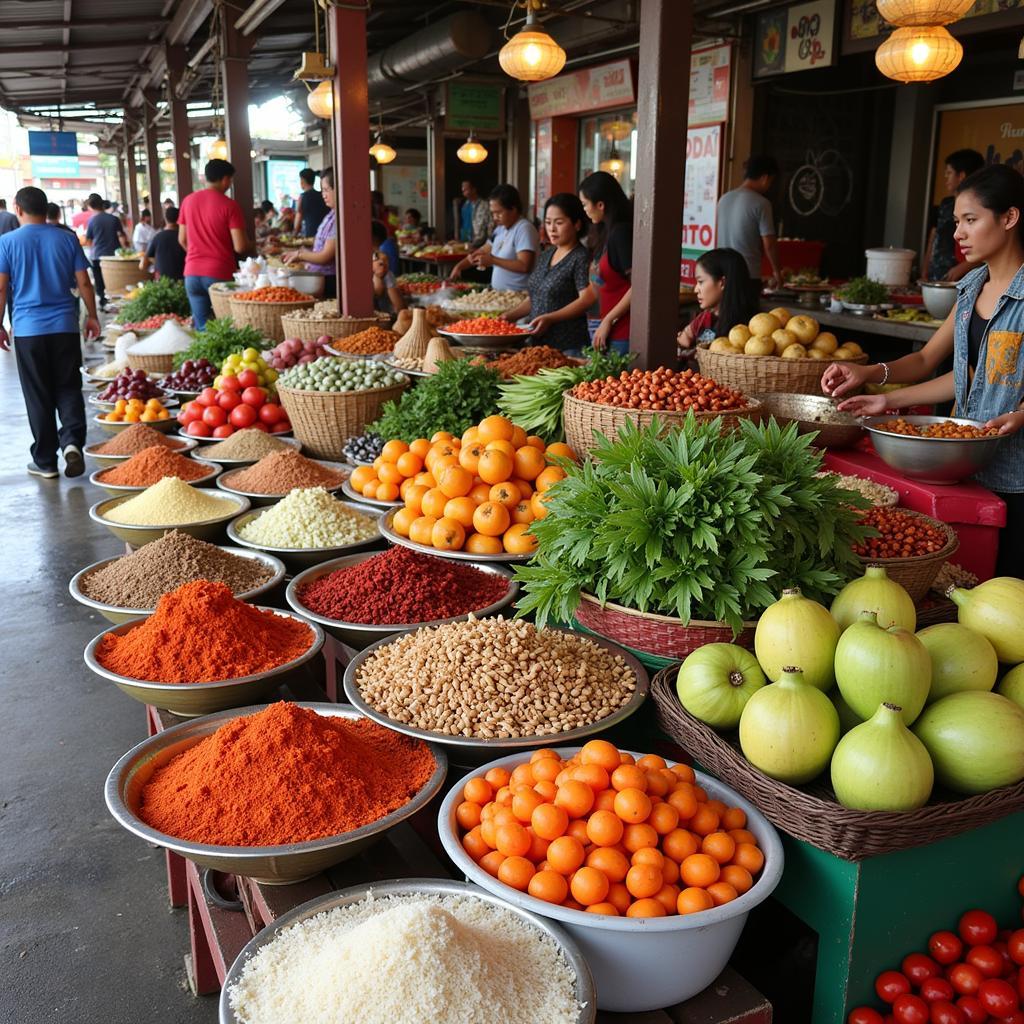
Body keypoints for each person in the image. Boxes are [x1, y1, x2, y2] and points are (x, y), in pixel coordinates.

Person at [826, 164, 1024, 576]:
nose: (958, 234)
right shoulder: (971, 289)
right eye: (956, 222)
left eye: (971, 220)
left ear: (1009, 218)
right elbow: (927, 362)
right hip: (965, 466)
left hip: (1015, 475)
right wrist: (874, 381)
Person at [0, 186, 100, 478]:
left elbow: (2, 287)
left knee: (37, 394)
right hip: (65, 328)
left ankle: (45, 461)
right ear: (47, 209)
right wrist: (92, 316)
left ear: (18, 208)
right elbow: (84, 282)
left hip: (29, 331)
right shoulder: (67, 239)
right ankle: (71, 443)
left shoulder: (7, 242)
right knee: (68, 387)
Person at [500, 193, 592, 351]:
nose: (552, 229)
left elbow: (586, 300)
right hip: (538, 344)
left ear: (577, 224)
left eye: (559, 222)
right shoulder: (546, 254)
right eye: (548, 222)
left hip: (568, 346)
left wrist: (551, 318)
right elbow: (535, 298)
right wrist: (508, 316)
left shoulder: (581, 257)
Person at [177, 158, 250, 330]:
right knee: (226, 328)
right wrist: (251, 244)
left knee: (203, 329)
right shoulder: (230, 205)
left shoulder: (188, 201)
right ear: (225, 179)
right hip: (219, 273)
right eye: (230, 180)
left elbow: (182, 239)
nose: (230, 184)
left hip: (192, 274)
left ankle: (203, 357)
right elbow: (240, 246)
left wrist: (197, 255)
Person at [579, 170, 632, 354]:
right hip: (607, 332)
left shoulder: (621, 234)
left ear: (600, 205)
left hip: (623, 333)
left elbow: (638, 287)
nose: (584, 210)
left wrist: (609, 320)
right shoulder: (604, 233)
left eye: (585, 204)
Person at [449, 184, 538, 291]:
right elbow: (482, 250)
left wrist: (493, 260)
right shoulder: (500, 229)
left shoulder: (524, 228)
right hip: (499, 294)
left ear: (513, 209)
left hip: (519, 296)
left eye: (499, 212)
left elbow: (524, 266)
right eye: (493, 213)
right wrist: (459, 266)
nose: (495, 217)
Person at [716, 155, 782, 297]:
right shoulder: (762, 203)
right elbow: (769, 244)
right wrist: (777, 272)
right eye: (771, 181)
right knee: (746, 318)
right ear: (765, 178)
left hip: (722, 272)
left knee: (727, 315)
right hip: (747, 275)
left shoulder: (724, 199)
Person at [676, 248, 757, 353]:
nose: (696, 290)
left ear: (722, 283)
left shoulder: (749, 330)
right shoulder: (705, 318)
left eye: (700, 282)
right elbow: (684, 339)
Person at [925, 149, 986, 282]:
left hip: (964, 277)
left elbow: (987, 247)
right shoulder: (945, 204)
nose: (945, 177)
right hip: (937, 274)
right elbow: (934, 236)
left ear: (961, 176)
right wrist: (925, 270)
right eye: (956, 220)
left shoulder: (982, 206)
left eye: (949, 173)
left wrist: (962, 267)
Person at [283, 167, 337, 300]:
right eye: (322, 190)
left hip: (329, 280)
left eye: (326, 190)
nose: (323, 195)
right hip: (320, 276)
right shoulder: (332, 214)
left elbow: (325, 256)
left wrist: (301, 255)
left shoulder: (340, 219)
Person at [85, 195, 128, 309]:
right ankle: (118, 300)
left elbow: (88, 240)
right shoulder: (114, 219)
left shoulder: (92, 221)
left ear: (90, 206)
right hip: (114, 256)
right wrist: (126, 248)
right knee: (116, 280)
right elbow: (122, 236)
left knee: (99, 281)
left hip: (97, 256)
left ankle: (103, 302)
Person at [141, 206, 185, 280]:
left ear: (165, 219)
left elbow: (143, 265)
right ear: (179, 219)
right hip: (182, 280)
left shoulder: (157, 237)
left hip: (162, 282)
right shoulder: (184, 238)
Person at [295, 168, 327, 238]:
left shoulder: (302, 197)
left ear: (302, 181)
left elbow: (298, 218)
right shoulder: (322, 196)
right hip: (323, 235)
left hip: (309, 236)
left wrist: (294, 234)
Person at [372, 248, 405, 316]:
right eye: (380, 264)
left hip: (388, 316)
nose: (384, 267)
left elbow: (399, 307)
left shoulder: (387, 275)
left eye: (386, 264)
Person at [458, 179, 490, 248]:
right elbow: (464, 225)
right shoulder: (465, 206)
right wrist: (461, 242)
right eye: (462, 187)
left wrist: (472, 244)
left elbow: (483, 229)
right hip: (466, 243)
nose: (463, 189)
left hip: (479, 245)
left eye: (466, 188)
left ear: (473, 189)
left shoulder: (484, 205)